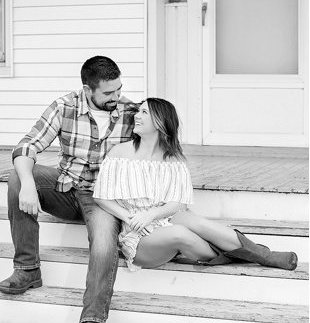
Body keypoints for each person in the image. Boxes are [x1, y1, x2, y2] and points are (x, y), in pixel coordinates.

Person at [0, 55, 135, 323]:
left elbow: (161, 141)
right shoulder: (64, 106)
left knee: (103, 243)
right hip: (66, 190)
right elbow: (26, 146)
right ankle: (28, 270)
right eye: (109, 93)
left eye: (118, 90)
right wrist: (29, 186)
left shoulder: (129, 112)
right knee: (18, 177)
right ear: (87, 89)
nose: (116, 98)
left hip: (104, 199)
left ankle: (94, 322)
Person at [93, 98, 297, 271]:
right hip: (139, 235)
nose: (136, 115)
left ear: (160, 122)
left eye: (144, 112)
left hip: (161, 219)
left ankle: (264, 255)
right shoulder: (120, 153)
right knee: (180, 233)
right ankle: (243, 255)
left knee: (198, 223)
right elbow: (101, 197)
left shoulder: (172, 160)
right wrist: (132, 217)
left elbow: (179, 203)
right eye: (138, 111)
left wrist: (152, 214)